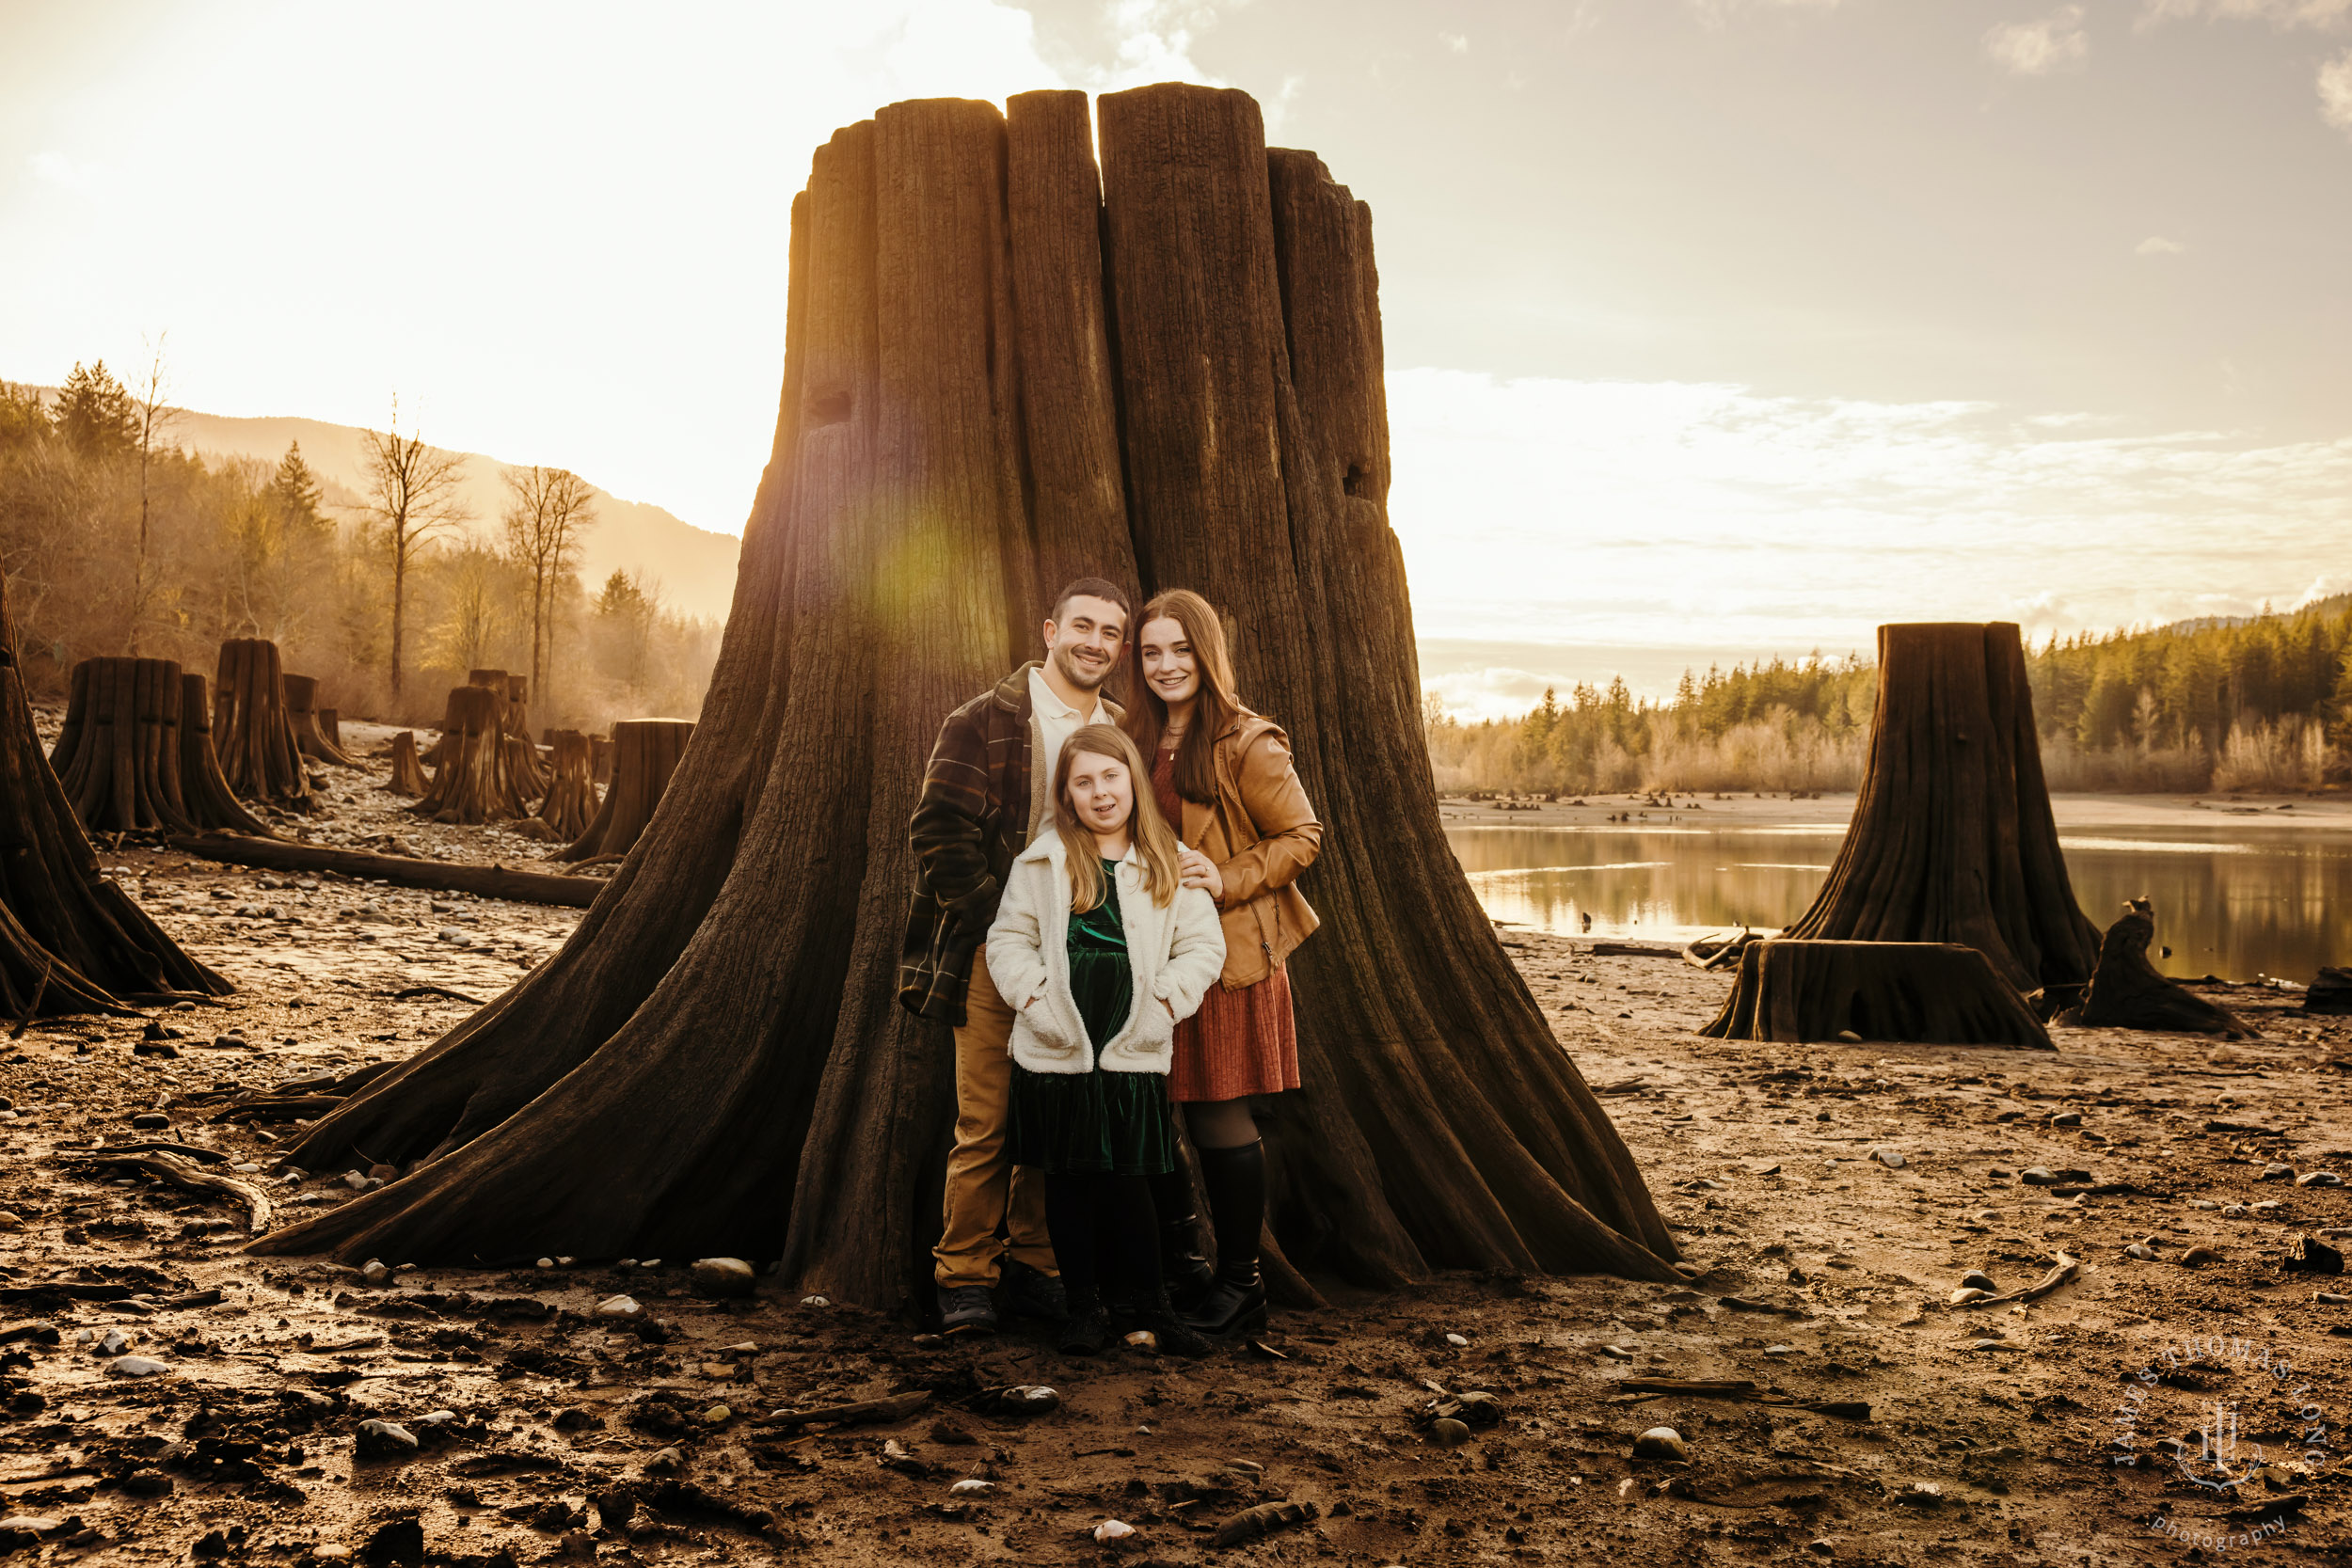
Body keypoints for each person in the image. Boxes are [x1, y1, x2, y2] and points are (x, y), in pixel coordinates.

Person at [901, 577, 1132, 1337]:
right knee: (989, 1119)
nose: (1096, 643)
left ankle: (1037, 1263)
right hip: (992, 955)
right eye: (1083, 626)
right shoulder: (987, 718)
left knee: (1057, 1111)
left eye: (1110, 633)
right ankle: (964, 1273)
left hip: (1083, 958)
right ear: (1049, 630)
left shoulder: (1119, 727)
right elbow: (938, 828)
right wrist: (995, 922)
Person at [986, 724, 1225, 1355]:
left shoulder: (1166, 859)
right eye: (1083, 781)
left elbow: (1203, 945)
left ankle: (1152, 1305)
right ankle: (1084, 1306)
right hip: (1061, 1038)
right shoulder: (1043, 862)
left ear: (1133, 781)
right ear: (1066, 794)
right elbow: (1008, 941)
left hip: (1131, 1040)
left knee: (1131, 1177)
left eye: (1110, 776)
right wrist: (1036, 1000)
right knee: (1068, 1178)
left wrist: (1166, 1002)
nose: (1100, 792)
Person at [1122, 589, 1323, 1339]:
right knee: (1148, 1110)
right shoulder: (1132, 735)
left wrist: (1226, 875)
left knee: (1214, 1110)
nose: (1166, 665)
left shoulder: (1247, 740)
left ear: (1206, 654)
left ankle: (1243, 1285)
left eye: (1180, 649)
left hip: (1229, 956)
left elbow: (1303, 834)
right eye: (1152, 652)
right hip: (1147, 954)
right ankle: (1187, 1270)